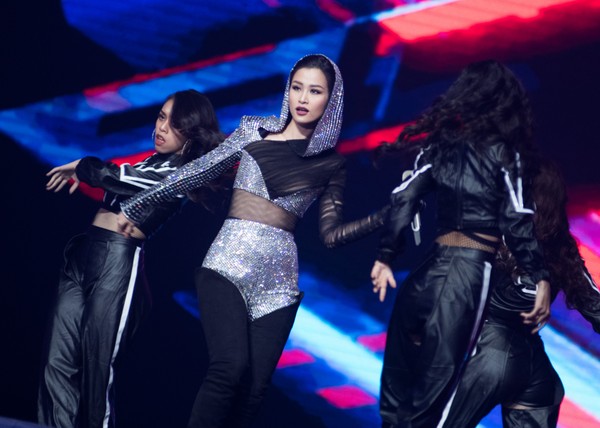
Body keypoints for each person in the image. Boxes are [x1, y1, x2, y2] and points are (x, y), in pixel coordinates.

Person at [116, 54, 389, 428]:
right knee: (229, 368)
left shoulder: (330, 164)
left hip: (279, 285)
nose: (303, 98)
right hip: (227, 264)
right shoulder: (255, 131)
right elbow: (197, 172)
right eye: (297, 87)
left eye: (315, 91)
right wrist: (138, 204)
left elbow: (331, 236)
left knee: (254, 393)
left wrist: (384, 216)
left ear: (332, 99)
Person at [369, 60, 551, 428]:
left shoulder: (439, 148)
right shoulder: (506, 154)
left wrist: (385, 256)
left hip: (424, 276)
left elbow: (404, 198)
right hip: (467, 275)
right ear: (505, 103)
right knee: (432, 402)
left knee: (396, 397)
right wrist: (540, 276)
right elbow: (517, 218)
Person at [38, 89, 225, 428]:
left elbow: (113, 177)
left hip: (117, 263)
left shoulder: (181, 174)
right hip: (84, 253)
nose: (162, 127)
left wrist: (83, 165)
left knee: (97, 370)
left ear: (191, 132)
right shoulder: (148, 162)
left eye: (174, 123)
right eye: (161, 116)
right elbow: (116, 178)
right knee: (57, 362)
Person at [441, 159, 600, 428]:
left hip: (486, 357)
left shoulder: (488, 235)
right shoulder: (562, 249)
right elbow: (594, 305)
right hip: (532, 372)